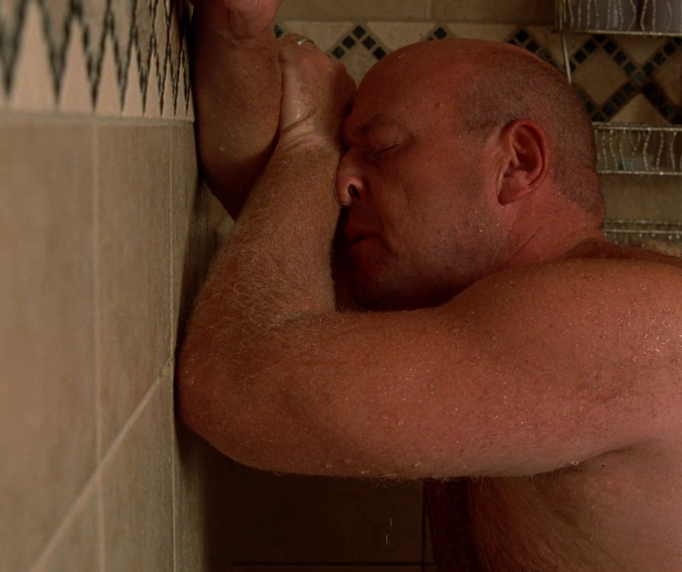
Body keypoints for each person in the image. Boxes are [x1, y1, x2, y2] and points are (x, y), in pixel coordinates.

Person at [178, 1, 682, 570]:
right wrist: (236, 28)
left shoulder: (624, 325)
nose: (342, 181)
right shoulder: (469, 310)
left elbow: (233, 382)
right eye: (344, 155)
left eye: (382, 149)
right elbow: (265, 199)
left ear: (516, 163)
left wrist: (312, 142)